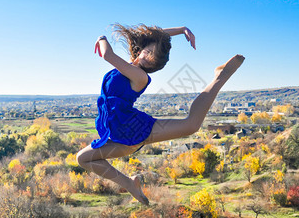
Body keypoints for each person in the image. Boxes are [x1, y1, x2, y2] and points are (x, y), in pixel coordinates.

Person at [77, 23, 244, 205]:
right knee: (83, 159)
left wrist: (102, 38)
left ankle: (220, 77)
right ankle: (130, 183)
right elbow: (156, 37)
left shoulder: (139, 76)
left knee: (192, 125)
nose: (149, 58)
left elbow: (107, 55)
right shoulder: (128, 67)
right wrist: (182, 30)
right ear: (142, 48)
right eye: (148, 52)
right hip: (126, 128)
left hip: (129, 131)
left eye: (153, 59)